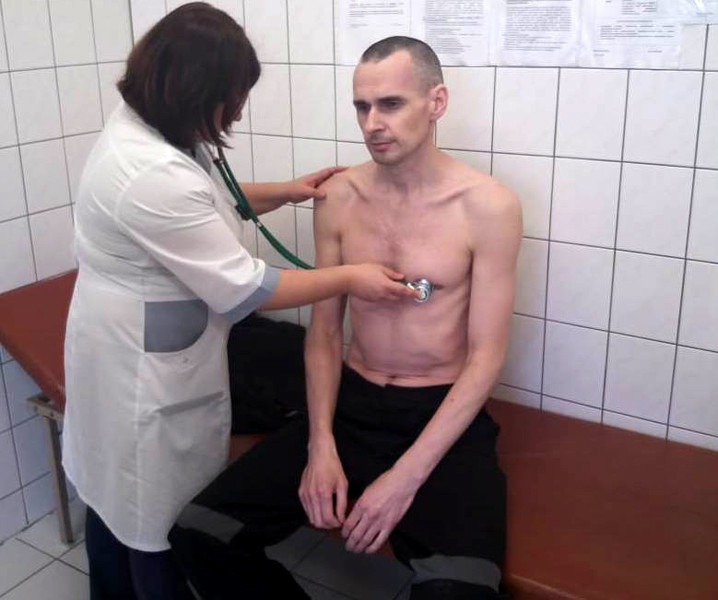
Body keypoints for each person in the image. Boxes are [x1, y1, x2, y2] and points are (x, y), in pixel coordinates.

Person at [61, 5, 413, 599]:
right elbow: (249, 289)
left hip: (131, 338)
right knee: (150, 519)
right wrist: (354, 276)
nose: (241, 111)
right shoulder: (146, 171)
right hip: (140, 373)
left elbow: (205, 198)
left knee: (116, 499)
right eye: (235, 97)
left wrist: (288, 191)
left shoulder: (153, 129)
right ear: (195, 91)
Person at [168, 36, 522, 599]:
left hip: (438, 410)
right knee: (200, 534)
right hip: (352, 403)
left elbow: (486, 357)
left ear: (436, 102)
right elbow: (326, 333)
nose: (373, 123)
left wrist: (403, 479)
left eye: (391, 104)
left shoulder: (488, 207)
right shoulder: (339, 197)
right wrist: (320, 445)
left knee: (462, 590)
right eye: (362, 106)